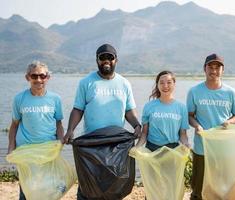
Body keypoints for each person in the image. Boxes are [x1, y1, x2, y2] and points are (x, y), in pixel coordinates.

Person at [63, 43, 142, 200]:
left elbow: (129, 110)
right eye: (102, 57)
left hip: (115, 144)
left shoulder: (124, 83)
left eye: (110, 57)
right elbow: (78, 109)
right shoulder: (86, 82)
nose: (106, 60)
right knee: (88, 184)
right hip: (92, 144)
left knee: (114, 184)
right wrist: (70, 129)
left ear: (116, 60)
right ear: (97, 60)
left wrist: (137, 125)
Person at [186, 53, 235, 200]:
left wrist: (229, 122)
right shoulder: (194, 91)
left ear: (223, 70)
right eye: (210, 67)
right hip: (201, 147)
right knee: (198, 187)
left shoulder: (231, 92)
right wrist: (197, 126)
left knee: (222, 186)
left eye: (217, 67)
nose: (214, 70)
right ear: (204, 69)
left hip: (223, 147)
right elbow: (189, 115)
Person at [7, 61, 64, 200]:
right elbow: (14, 125)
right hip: (26, 151)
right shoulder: (19, 99)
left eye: (42, 76)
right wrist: (11, 147)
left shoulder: (55, 99)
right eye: (34, 76)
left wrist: (60, 142)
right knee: (27, 189)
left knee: (49, 188)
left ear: (48, 77)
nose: (38, 80)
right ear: (28, 77)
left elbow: (59, 123)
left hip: (48, 151)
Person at [136, 70, 189, 151]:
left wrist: (186, 145)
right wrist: (137, 147)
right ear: (157, 85)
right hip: (152, 149)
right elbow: (144, 133)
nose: (165, 86)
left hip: (173, 149)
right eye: (161, 83)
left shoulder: (182, 108)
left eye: (169, 82)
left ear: (174, 84)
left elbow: (183, 134)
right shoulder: (149, 106)